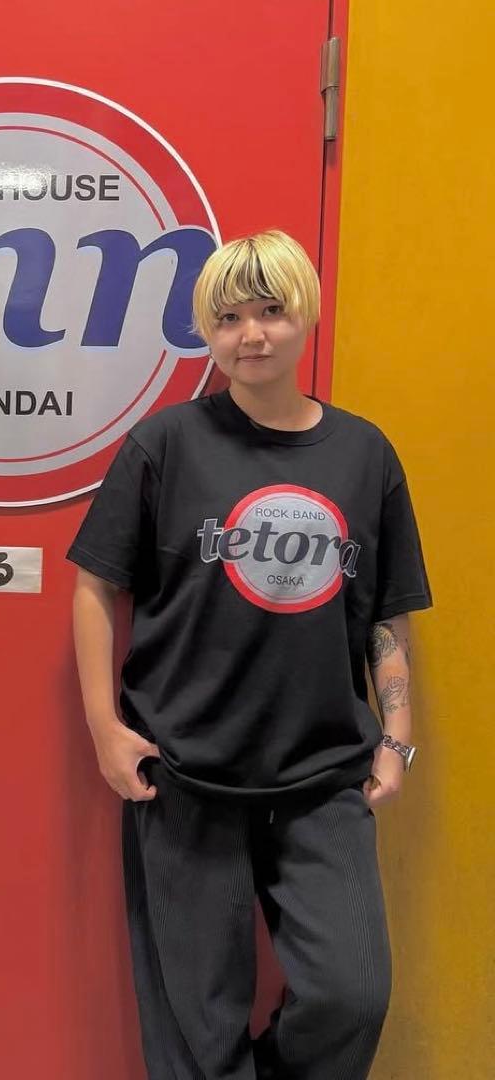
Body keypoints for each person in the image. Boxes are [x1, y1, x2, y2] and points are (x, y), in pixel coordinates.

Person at [68, 230, 430, 1079]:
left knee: (351, 994)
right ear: (207, 330)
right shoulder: (165, 444)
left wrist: (397, 733)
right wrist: (104, 729)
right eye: (229, 318)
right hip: (183, 772)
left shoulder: (364, 454)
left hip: (324, 774)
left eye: (271, 312)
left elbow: (386, 613)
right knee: (198, 1027)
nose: (252, 335)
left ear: (306, 315)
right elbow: (93, 588)